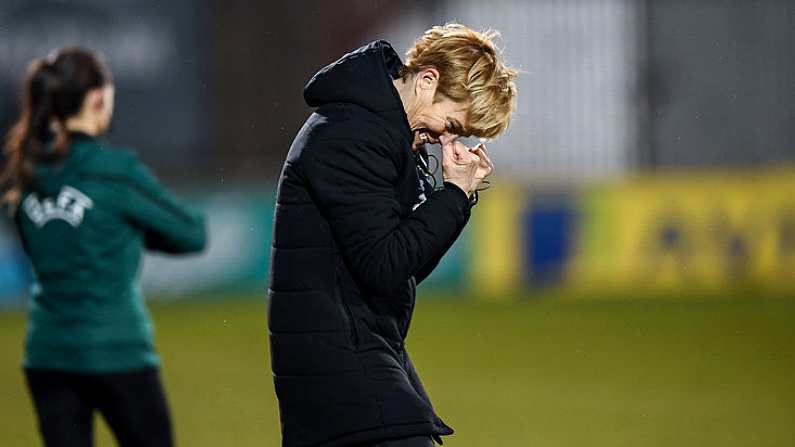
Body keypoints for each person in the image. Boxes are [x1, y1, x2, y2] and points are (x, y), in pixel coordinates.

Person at [268, 24, 517, 447]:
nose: (447, 139)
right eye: (451, 123)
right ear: (426, 81)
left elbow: (405, 266)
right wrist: (453, 195)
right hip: (341, 369)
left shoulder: (384, 136)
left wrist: (456, 197)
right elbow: (386, 266)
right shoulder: (352, 136)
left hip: (355, 358)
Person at [0, 47, 207, 447]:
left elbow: (34, 243)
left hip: (47, 354)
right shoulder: (115, 172)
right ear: (97, 98)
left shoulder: (28, 172)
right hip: (117, 350)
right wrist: (132, 230)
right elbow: (191, 233)